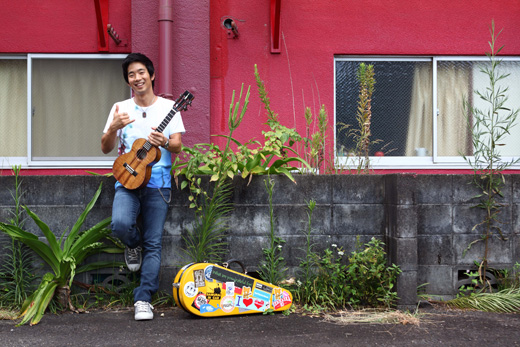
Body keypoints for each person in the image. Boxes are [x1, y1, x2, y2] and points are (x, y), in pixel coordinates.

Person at [101, 53, 185, 321]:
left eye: (140, 73)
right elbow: (105, 148)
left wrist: (164, 142)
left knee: (154, 242)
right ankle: (131, 244)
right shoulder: (120, 108)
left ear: (151, 75)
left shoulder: (169, 108)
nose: (136, 78)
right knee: (120, 225)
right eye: (131, 75)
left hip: (158, 183)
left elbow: (178, 145)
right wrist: (112, 128)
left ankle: (143, 298)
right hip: (126, 180)